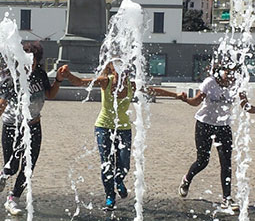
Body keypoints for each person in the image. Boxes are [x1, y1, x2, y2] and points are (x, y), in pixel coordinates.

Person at [61, 61, 183, 211]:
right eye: (119, 68)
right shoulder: (106, 81)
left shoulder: (131, 85)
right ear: (112, 69)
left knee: (124, 164)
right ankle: (110, 196)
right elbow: (80, 82)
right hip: (103, 127)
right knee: (107, 163)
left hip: (124, 129)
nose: (124, 71)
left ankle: (119, 180)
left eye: (126, 68)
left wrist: (176, 95)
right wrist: (67, 75)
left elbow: (153, 90)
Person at [0, 42, 65, 216]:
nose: (29, 64)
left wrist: (59, 80)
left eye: (33, 60)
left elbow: (50, 94)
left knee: (28, 167)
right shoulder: (12, 79)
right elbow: (0, 106)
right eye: (26, 60)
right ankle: (4, 172)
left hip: (34, 126)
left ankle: (13, 199)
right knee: (13, 165)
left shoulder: (40, 74)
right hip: (11, 127)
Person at [178, 63, 255, 211]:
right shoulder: (210, 83)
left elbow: (245, 105)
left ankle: (226, 198)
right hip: (204, 124)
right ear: (221, 72)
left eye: (234, 72)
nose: (231, 75)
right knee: (203, 161)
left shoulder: (238, 85)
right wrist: (185, 99)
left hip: (224, 126)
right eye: (228, 72)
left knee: (226, 162)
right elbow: (196, 101)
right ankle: (186, 179)